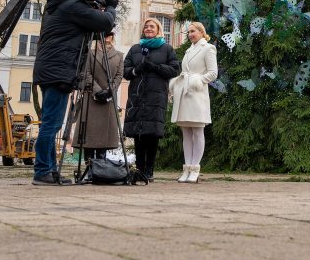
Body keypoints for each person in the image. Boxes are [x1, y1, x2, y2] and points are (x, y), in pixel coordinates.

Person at [31, 0, 117, 186]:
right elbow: (105, 21)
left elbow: (98, 31)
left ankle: (49, 170)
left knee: (51, 123)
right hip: (57, 71)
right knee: (51, 125)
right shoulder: (71, 6)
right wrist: (110, 6)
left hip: (52, 69)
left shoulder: (62, 4)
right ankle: (42, 170)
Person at [123, 18, 180, 182]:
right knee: (137, 134)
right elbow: (125, 70)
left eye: (152, 26)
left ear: (158, 30)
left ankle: (149, 170)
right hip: (137, 95)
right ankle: (139, 169)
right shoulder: (135, 49)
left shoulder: (167, 48)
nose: (148, 28)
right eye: (146, 26)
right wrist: (136, 70)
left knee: (151, 133)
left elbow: (174, 69)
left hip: (156, 95)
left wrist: (155, 68)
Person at [169, 22, 218, 183]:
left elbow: (213, 73)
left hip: (197, 94)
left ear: (202, 32)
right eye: (188, 32)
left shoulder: (208, 48)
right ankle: (187, 168)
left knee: (197, 131)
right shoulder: (189, 50)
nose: (190, 34)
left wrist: (197, 80)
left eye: (193, 31)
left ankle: (195, 168)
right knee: (186, 133)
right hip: (184, 93)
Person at [73, 33, 123, 161]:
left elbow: (119, 76)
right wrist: (97, 90)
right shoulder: (90, 53)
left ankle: (101, 166)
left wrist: (109, 90)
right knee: (89, 135)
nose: (106, 37)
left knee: (104, 138)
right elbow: (86, 72)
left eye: (109, 34)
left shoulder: (119, 55)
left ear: (112, 37)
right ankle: (89, 168)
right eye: (104, 34)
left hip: (108, 99)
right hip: (91, 98)